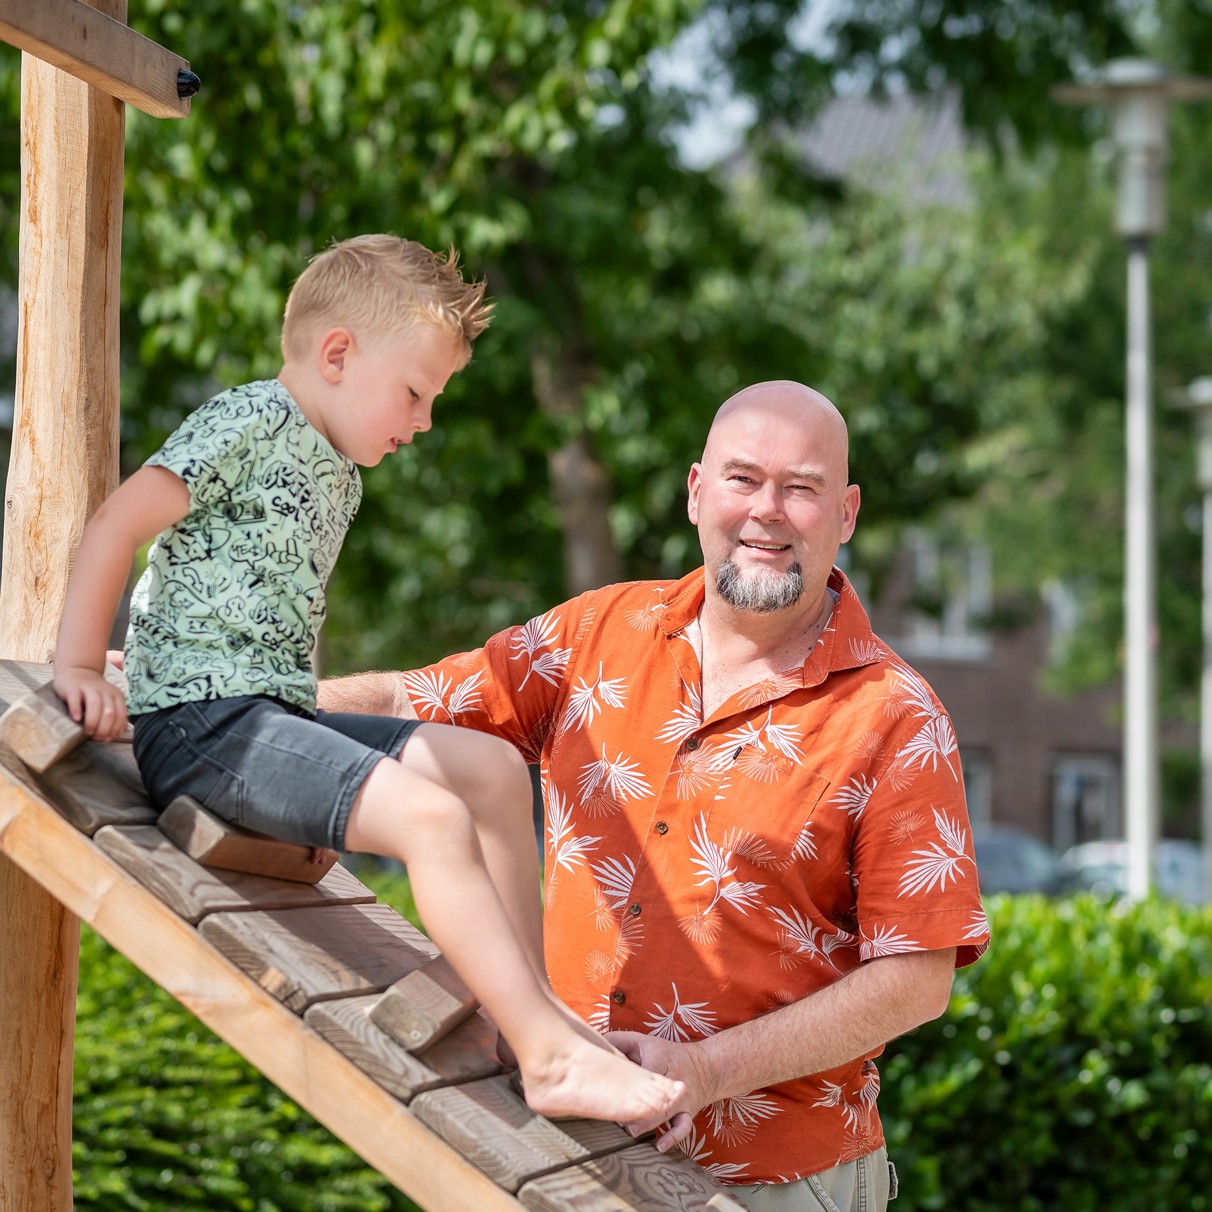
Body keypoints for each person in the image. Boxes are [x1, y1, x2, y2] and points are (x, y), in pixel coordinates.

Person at [50, 233, 687, 1130]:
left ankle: (533, 1018)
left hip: (266, 714)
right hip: (206, 727)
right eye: (416, 393)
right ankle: (549, 1059)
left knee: (492, 771)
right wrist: (86, 666)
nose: (422, 422)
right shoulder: (247, 420)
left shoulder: (338, 470)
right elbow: (119, 521)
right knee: (431, 819)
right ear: (338, 354)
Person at [318, 379, 991, 1210]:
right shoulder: (594, 634)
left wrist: (705, 1071)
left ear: (846, 514)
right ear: (697, 492)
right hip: (560, 1152)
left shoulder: (897, 717)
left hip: (773, 1183)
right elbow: (405, 699)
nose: (767, 510)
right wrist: (233, 697)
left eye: (801, 488)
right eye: (743, 479)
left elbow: (917, 978)